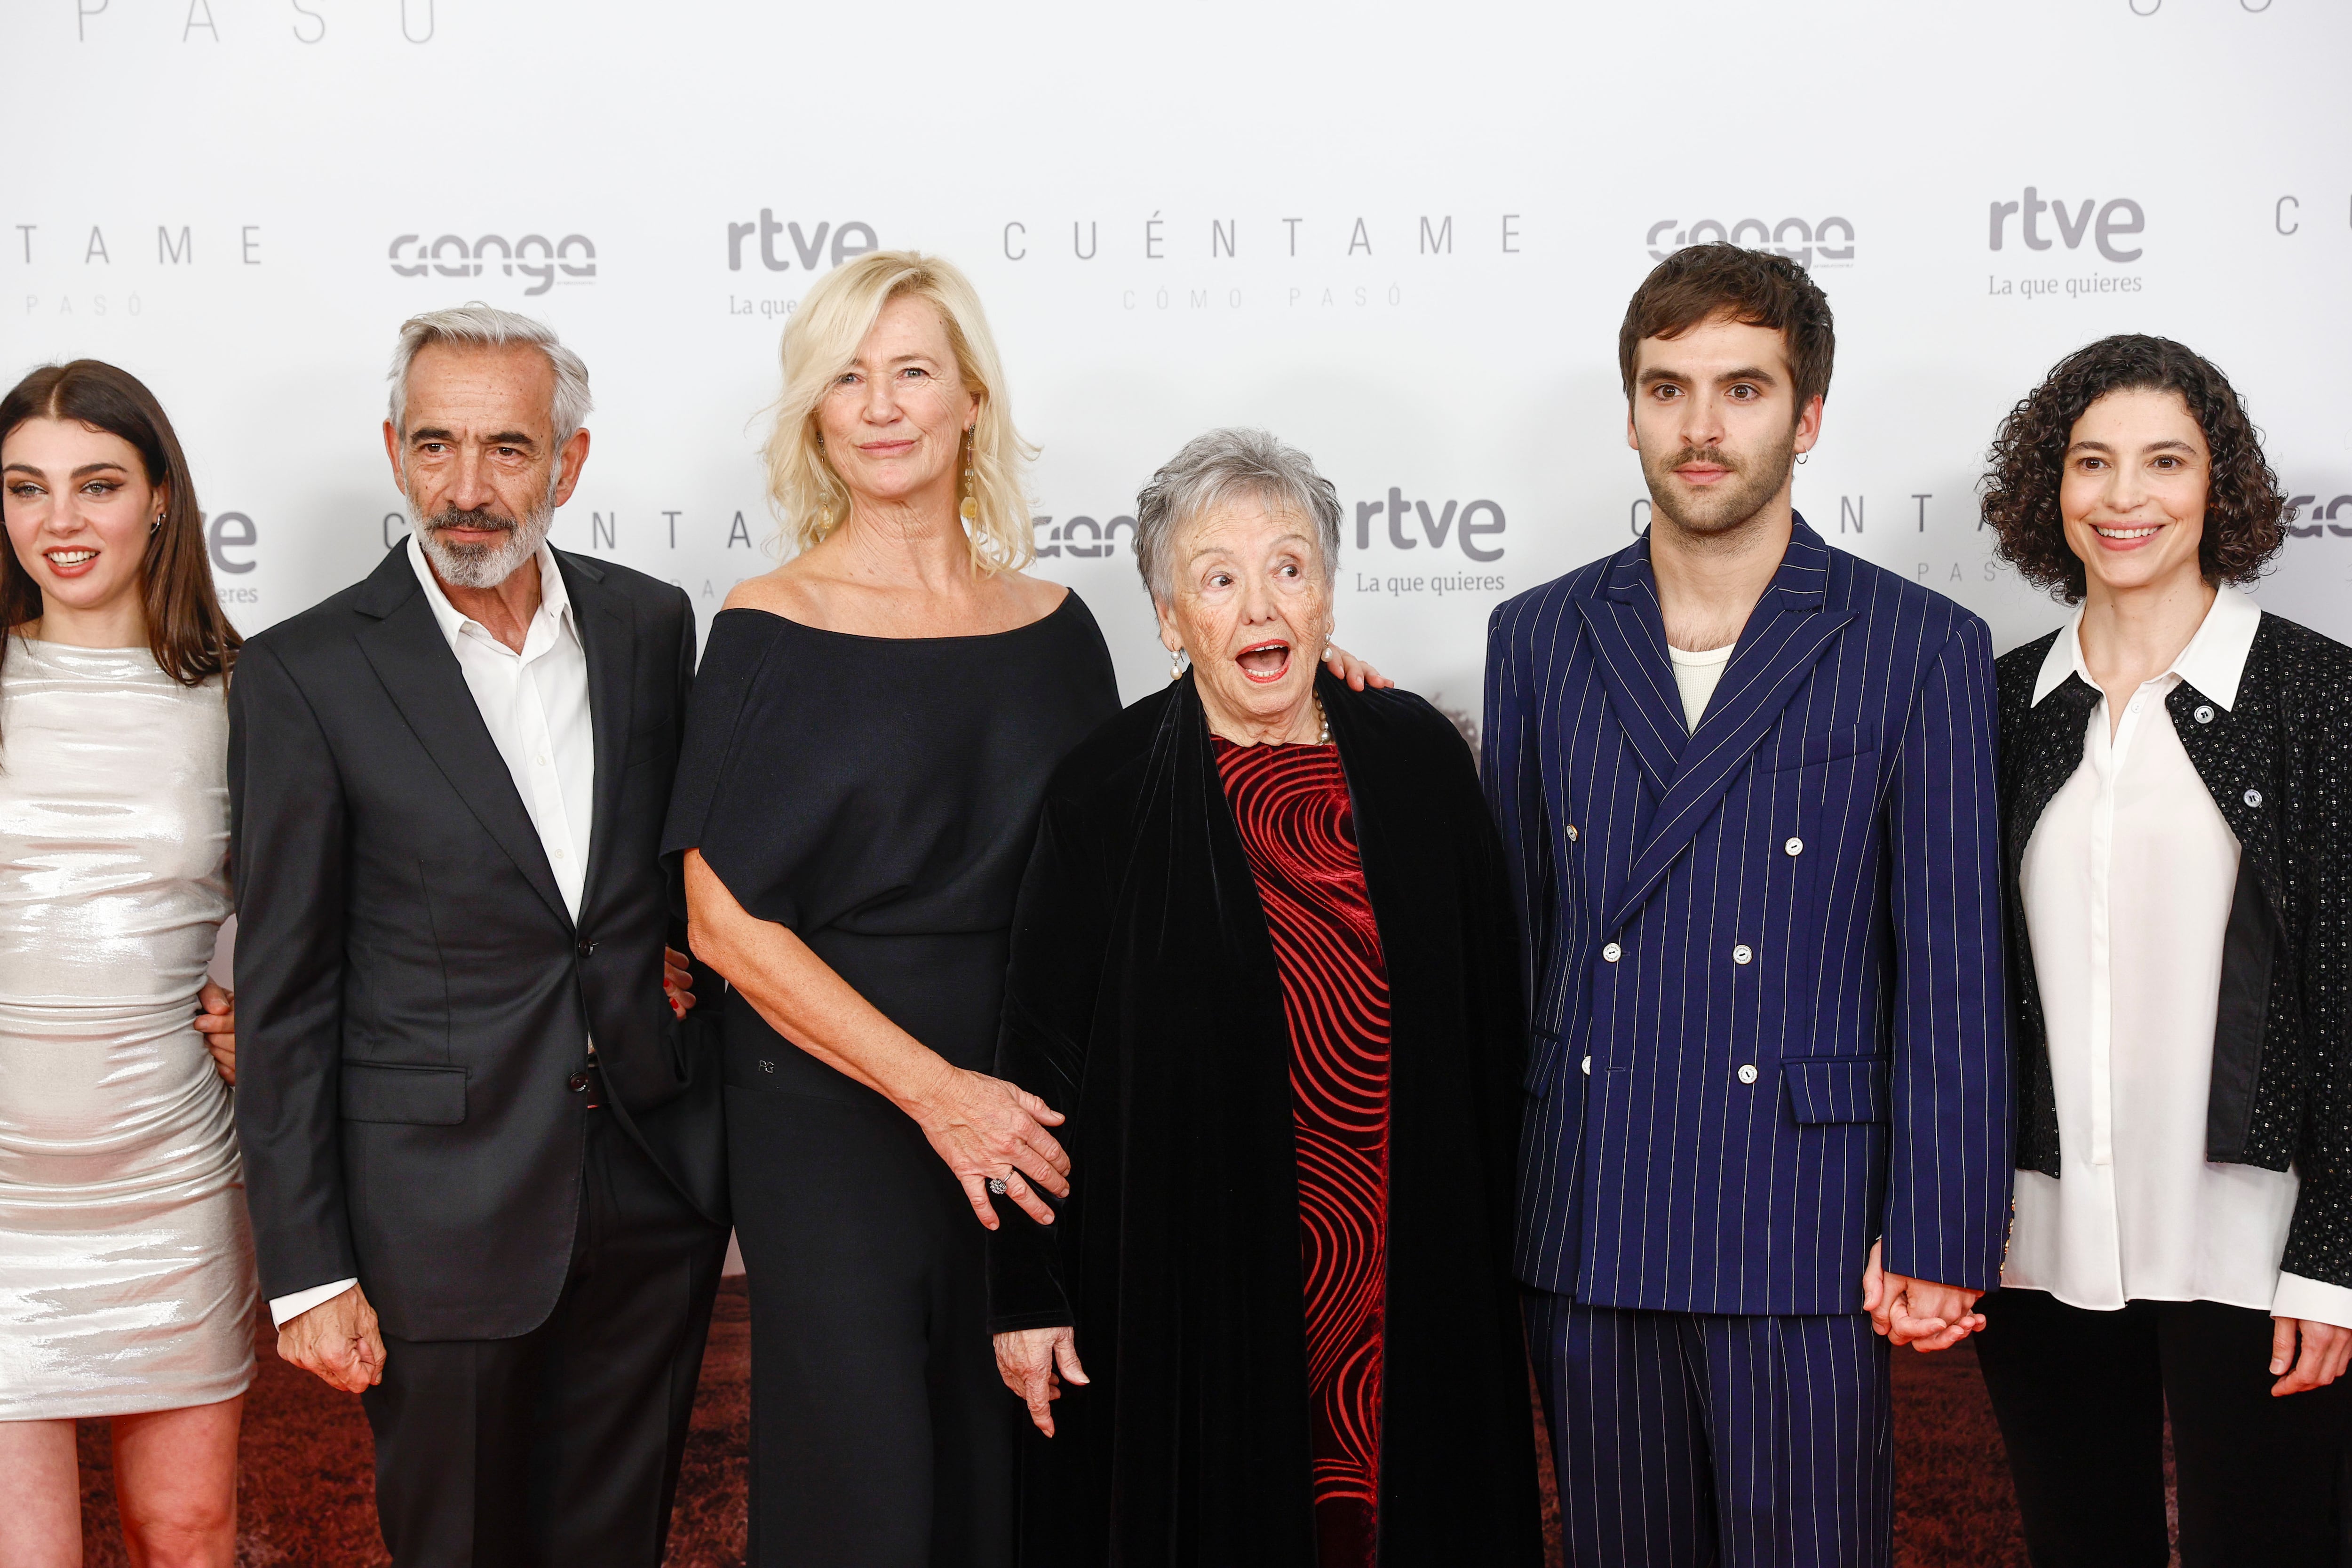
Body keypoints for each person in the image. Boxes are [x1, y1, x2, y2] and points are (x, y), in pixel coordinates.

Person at [666, 253, 1389, 1568]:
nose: (881, 404)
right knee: (866, 1488)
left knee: (1025, 1478)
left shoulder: (1058, 625)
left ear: (972, 402)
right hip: (837, 1116)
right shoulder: (767, 624)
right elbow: (721, 926)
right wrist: (942, 1094)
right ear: (816, 417)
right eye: (847, 376)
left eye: (913, 371)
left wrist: (1304, 695)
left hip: (1037, 1114)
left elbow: (1141, 819)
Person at [1484, 242, 2011, 1567]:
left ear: (1809, 414)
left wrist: (1941, 1221)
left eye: (1742, 389)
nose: (1700, 427)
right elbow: (1511, 937)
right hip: (1592, 1197)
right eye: (1667, 389)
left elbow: (1953, 958)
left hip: (1803, 1214)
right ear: (1631, 412)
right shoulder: (1538, 635)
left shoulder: (1916, 643)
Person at [983, 429, 1542, 1567]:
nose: (1259, 607)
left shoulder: (1420, 759)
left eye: (1289, 566)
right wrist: (1023, 1291)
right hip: (1194, 1294)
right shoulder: (1104, 788)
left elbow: (1495, 1023)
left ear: (1329, 591)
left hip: (1410, 1270)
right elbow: (1036, 1060)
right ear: (1167, 615)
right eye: (1217, 576)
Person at [229, 305, 728, 1568]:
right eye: (436, 445)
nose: (466, 488)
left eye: (506, 450)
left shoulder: (648, 627)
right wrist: (307, 1269)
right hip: (433, 1218)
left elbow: (671, 890)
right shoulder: (306, 673)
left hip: (649, 1191)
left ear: (568, 464)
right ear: (394, 450)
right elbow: (284, 995)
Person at [1971, 334, 2352, 1568]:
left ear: (2218, 486)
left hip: (2257, 1241)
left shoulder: (2315, 695)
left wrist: (2335, 1262)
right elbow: (1954, 981)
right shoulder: (1996, 703)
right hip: (2042, 1236)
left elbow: (2346, 989)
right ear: (2052, 489)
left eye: (2164, 461)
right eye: (2092, 461)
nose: (2124, 495)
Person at [0, 360, 249, 1568]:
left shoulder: (251, 697)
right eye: (24, 488)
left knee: (187, 1537)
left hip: (170, 1174)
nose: (58, 522)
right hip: (1, 1192)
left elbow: (342, 923)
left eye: (96, 484)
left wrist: (277, 1026)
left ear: (160, 499)